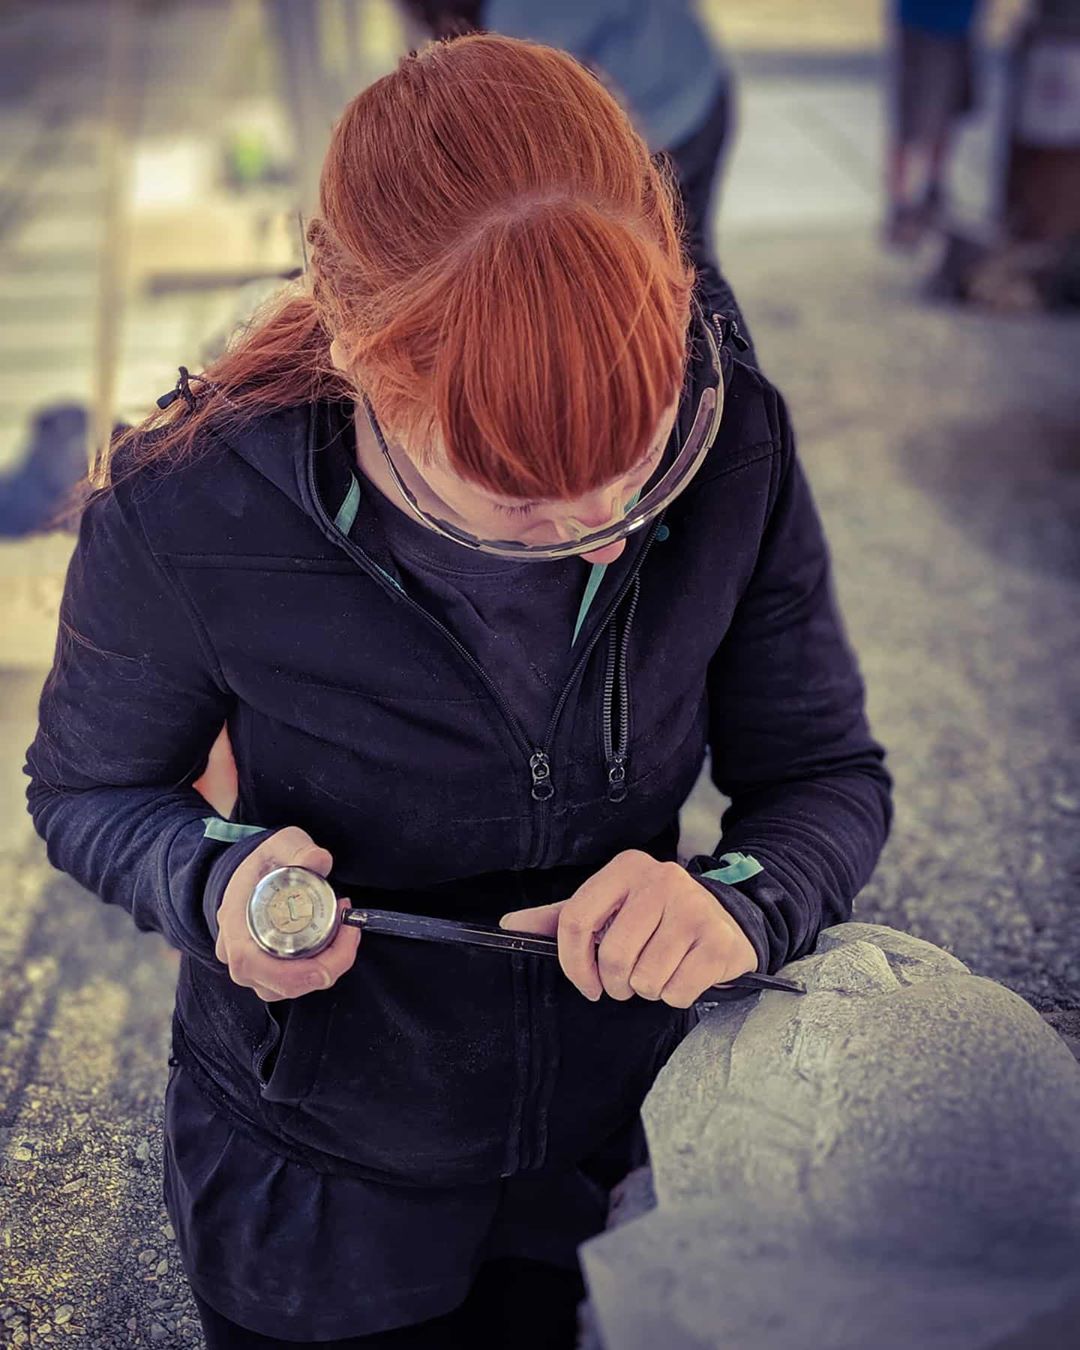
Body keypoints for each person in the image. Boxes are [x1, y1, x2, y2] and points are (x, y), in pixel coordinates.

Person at [23, 34, 891, 1349]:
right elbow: (90, 789)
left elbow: (825, 772)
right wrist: (215, 884)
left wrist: (739, 900)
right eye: (522, 495)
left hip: (617, 1150)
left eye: (638, 458)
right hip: (312, 1181)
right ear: (364, 361)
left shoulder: (738, 439)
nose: (607, 531)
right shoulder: (184, 506)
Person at [885, 0, 985, 248]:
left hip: (961, 25)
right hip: (924, 23)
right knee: (911, 120)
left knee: (948, 112)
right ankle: (901, 203)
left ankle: (934, 187)